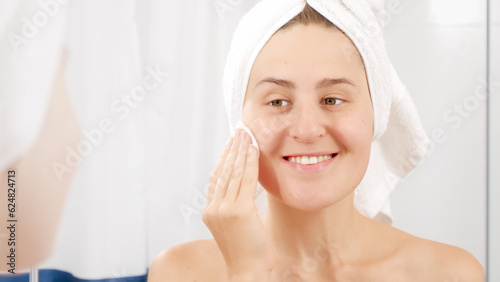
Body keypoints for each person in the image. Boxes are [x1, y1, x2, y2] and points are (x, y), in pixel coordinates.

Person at [148, 3, 484, 281]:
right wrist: (247, 271)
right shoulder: (179, 273)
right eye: (278, 101)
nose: (307, 130)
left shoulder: (449, 274)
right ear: (240, 123)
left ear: (376, 115)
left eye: (332, 100)